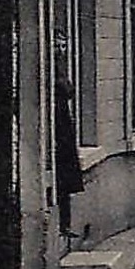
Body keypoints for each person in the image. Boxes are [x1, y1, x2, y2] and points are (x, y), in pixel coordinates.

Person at [54, 78, 84, 236]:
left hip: (62, 155)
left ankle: (65, 225)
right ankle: (64, 225)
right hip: (62, 155)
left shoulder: (61, 110)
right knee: (63, 191)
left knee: (63, 191)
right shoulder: (61, 110)